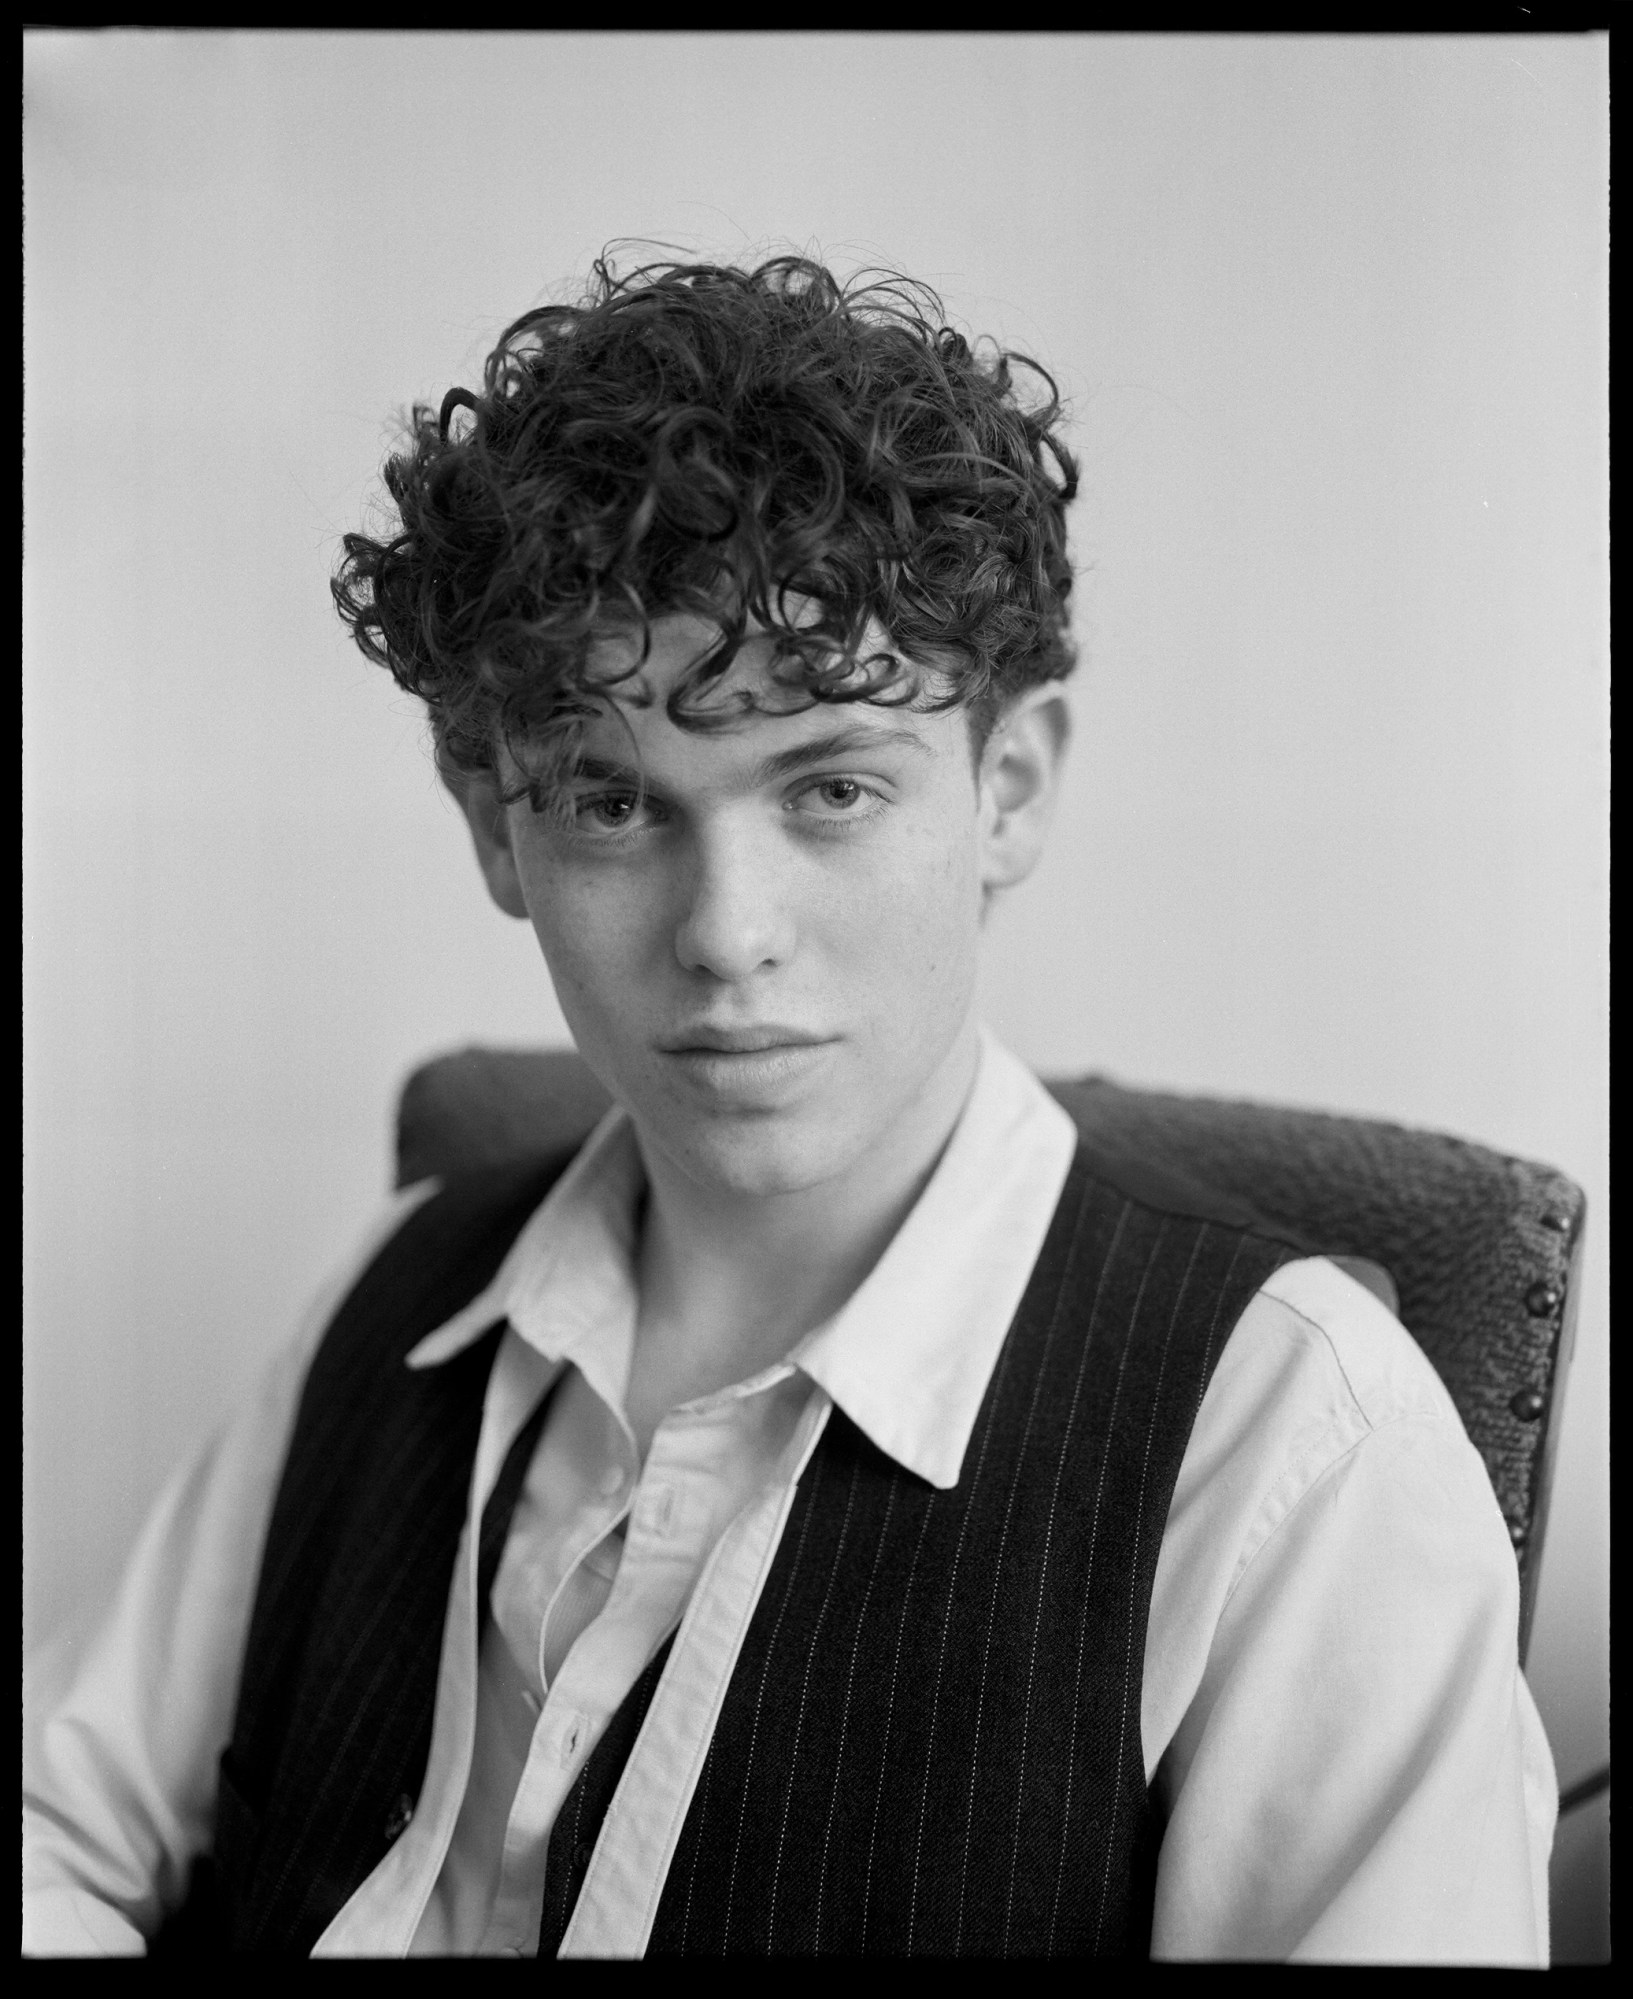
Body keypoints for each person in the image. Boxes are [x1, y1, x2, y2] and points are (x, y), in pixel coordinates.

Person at [23, 256, 1555, 1961]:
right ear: (490, 828)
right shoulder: (402, 1291)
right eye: (610, 801)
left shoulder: (1290, 1443)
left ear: (1007, 791)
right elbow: (54, 1835)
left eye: (828, 788)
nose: (723, 935)